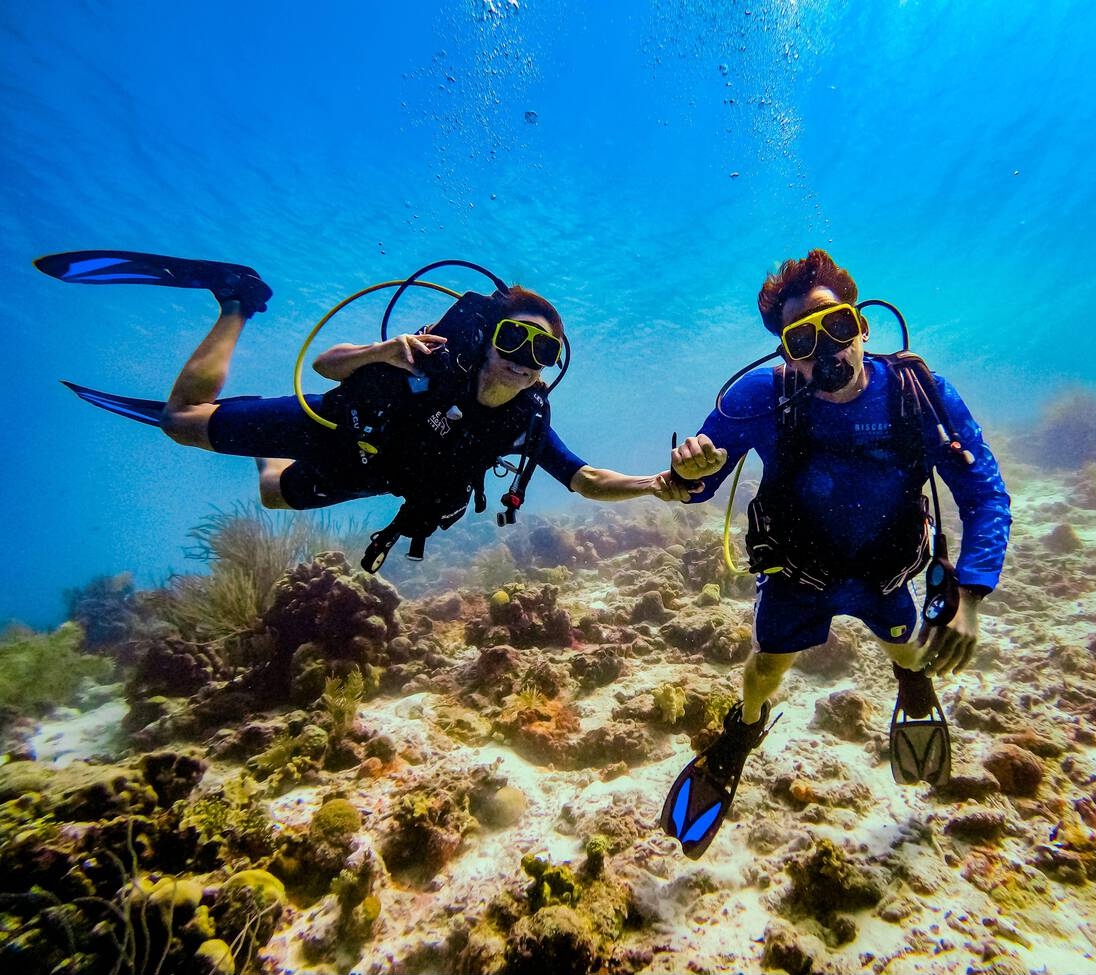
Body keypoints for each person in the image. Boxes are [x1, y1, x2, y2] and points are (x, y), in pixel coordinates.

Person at [660, 249, 1011, 858]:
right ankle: (741, 734)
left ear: (862, 324)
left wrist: (971, 595)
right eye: (803, 339)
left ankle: (913, 684)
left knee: (907, 645)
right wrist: (690, 470)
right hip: (797, 573)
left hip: (887, 569)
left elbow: (984, 492)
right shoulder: (758, 397)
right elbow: (697, 485)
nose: (827, 350)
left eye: (838, 326)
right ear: (785, 352)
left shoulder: (918, 392)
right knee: (766, 666)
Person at [40, 249, 690, 571]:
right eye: (512, 338)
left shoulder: (526, 419)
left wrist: (655, 485)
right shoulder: (435, 355)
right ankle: (238, 299)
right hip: (336, 424)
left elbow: (584, 478)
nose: (522, 358)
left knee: (272, 495)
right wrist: (382, 351)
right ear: (489, 338)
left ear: (552, 365)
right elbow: (327, 364)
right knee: (178, 422)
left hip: (379, 475)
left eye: (541, 350)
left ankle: (266, 445)